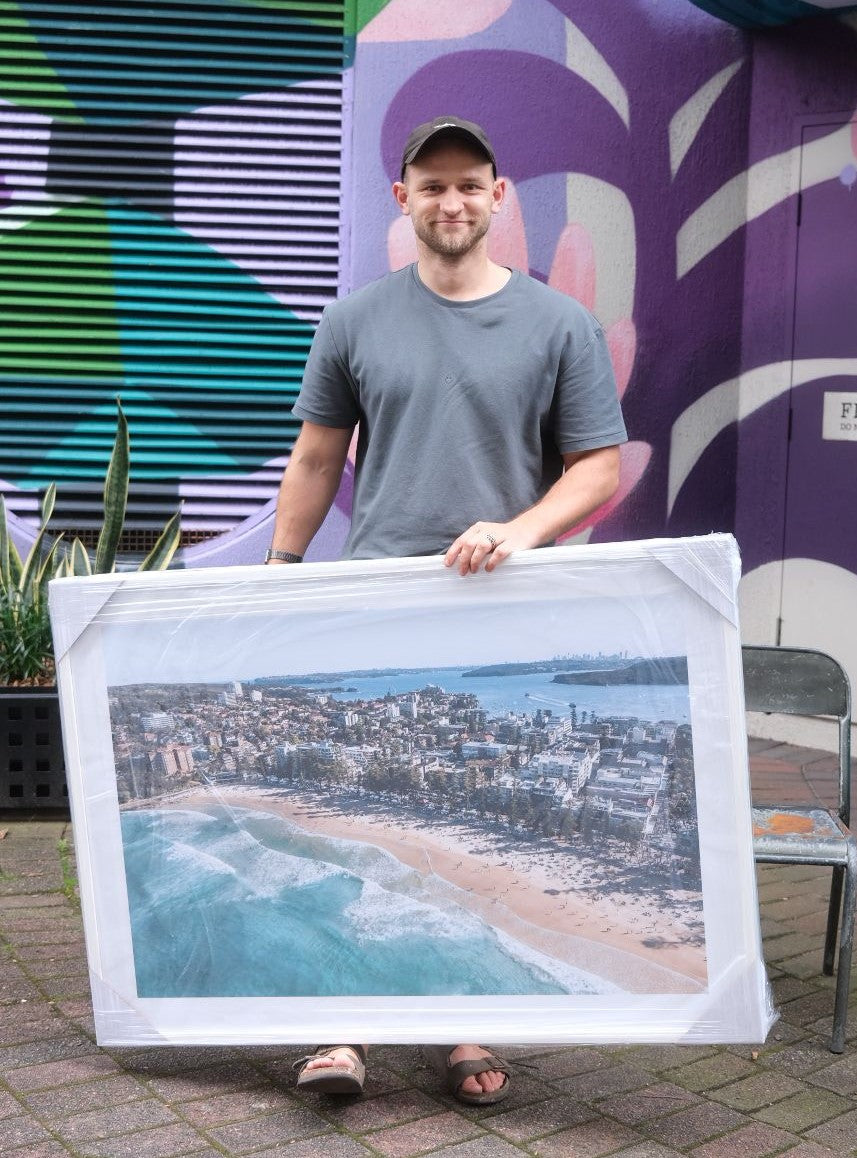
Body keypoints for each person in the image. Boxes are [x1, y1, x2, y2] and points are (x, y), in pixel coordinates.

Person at [269, 116, 628, 1103]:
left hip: (500, 615)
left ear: (498, 196)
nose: (452, 202)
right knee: (354, 816)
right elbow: (314, 459)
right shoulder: (353, 321)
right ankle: (341, 1029)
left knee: (466, 828)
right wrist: (278, 576)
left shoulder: (560, 326)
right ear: (403, 200)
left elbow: (595, 467)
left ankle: (463, 1020)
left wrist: (519, 530)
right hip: (373, 606)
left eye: (470, 185)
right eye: (432, 186)